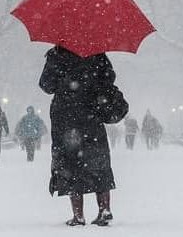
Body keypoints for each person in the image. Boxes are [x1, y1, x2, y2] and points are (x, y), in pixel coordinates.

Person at [39, 45, 128, 227]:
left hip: (67, 119)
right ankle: (104, 209)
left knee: (70, 166)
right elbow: (109, 79)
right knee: (98, 163)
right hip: (92, 117)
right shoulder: (97, 52)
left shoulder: (57, 54)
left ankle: (78, 215)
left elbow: (46, 85)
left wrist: (65, 78)